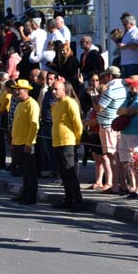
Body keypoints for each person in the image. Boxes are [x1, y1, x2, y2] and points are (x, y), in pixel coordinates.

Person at [50, 78, 84, 211]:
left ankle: (78, 201)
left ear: (64, 90)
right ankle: (68, 199)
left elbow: (77, 123)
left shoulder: (70, 102)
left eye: (56, 89)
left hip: (68, 142)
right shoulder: (55, 105)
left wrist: (78, 140)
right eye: (52, 89)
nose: (53, 92)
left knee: (70, 174)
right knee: (63, 173)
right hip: (56, 142)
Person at [116, 75, 138, 199]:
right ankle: (132, 187)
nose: (132, 88)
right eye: (130, 85)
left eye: (134, 85)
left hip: (136, 132)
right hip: (125, 131)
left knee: (136, 160)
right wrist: (125, 110)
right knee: (126, 161)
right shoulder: (129, 96)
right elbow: (119, 110)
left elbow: (130, 110)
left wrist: (126, 111)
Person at [10, 78, 40, 205]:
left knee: (30, 172)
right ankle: (25, 193)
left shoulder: (31, 104)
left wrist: (29, 143)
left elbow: (34, 126)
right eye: (16, 90)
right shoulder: (20, 104)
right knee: (24, 171)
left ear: (26, 91)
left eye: (19, 90)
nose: (17, 92)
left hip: (26, 143)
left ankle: (31, 196)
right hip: (18, 142)